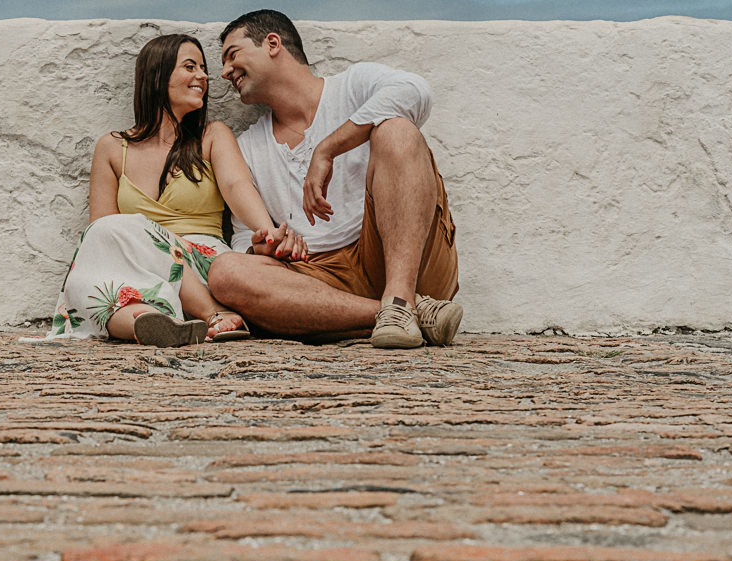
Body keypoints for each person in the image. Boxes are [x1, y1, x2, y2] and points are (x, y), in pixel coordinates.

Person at [209, 10, 463, 348]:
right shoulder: (248, 147)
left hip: (403, 259)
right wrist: (264, 248)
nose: (225, 72)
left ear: (272, 44)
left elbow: (415, 92)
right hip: (317, 283)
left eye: (232, 55)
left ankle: (401, 298)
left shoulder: (353, 85)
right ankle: (397, 314)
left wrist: (327, 148)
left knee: (397, 130)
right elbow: (243, 239)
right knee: (226, 272)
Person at [46, 33, 305, 346]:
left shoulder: (212, 136)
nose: (203, 75)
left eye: (202, 68)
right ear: (157, 76)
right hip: (138, 266)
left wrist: (266, 230)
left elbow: (237, 185)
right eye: (190, 66)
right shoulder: (112, 147)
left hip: (201, 262)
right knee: (96, 258)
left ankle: (210, 313)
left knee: (124, 229)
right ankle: (150, 322)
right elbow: (102, 234)